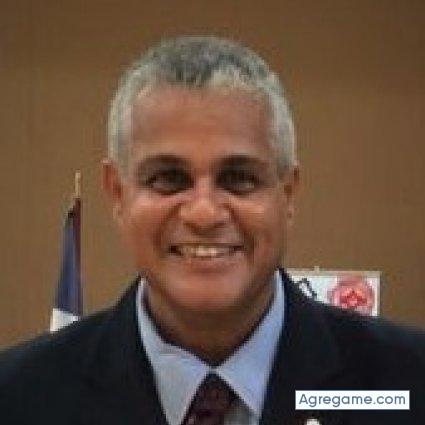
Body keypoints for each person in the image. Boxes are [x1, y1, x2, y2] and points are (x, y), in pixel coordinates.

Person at [1, 35, 424, 425]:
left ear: (288, 193)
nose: (204, 213)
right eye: (168, 178)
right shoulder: (19, 397)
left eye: (239, 178)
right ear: (117, 193)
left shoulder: (405, 385)